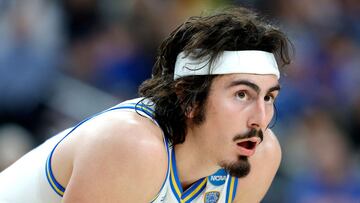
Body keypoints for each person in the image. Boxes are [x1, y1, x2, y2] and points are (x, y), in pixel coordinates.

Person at [0, 6, 291, 203]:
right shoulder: (132, 145)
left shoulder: (261, 156)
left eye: (269, 97)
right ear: (188, 98)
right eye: (242, 95)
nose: (260, 118)